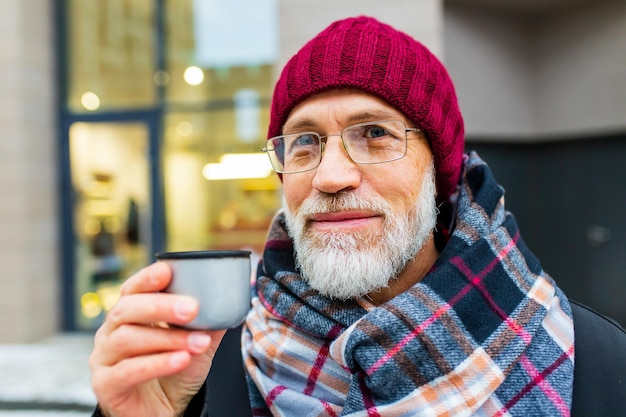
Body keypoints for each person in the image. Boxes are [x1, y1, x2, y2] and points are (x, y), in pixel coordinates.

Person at [89, 16, 626, 417]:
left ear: (438, 173)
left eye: (374, 134)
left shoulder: (595, 366)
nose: (330, 177)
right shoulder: (210, 359)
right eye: (304, 142)